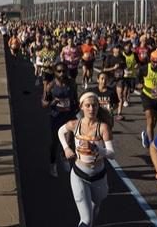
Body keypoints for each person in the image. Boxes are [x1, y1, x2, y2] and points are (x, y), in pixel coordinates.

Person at [58, 92, 115, 227]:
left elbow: (112, 154)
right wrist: (66, 148)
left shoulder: (103, 127)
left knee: (95, 208)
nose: (91, 108)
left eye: (94, 105)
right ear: (81, 107)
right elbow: (61, 132)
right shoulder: (74, 124)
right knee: (86, 219)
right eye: (87, 105)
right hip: (79, 174)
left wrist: (98, 149)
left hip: (99, 176)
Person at [43, 62, 79, 177]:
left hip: (69, 115)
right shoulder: (50, 86)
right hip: (56, 117)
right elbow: (43, 103)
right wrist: (52, 103)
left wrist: (77, 107)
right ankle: (53, 164)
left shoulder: (72, 83)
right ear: (55, 72)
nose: (62, 73)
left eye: (64, 71)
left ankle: (64, 157)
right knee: (55, 142)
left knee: (69, 141)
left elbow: (75, 99)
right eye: (59, 71)